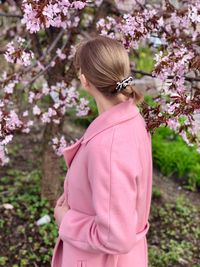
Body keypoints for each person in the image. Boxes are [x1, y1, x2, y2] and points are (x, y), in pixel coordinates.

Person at [51, 34, 153, 267]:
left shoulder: (107, 147)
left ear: (85, 80)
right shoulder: (132, 118)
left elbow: (115, 236)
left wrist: (66, 221)